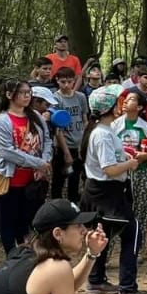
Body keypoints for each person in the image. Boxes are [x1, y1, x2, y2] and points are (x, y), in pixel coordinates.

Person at [81, 84, 147, 294]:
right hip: (106, 193)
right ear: (110, 107)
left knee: (103, 234)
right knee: (133, 235)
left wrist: (125, 155)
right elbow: (109, 168)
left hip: (102, 192)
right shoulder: (102, 134)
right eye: (118, 101)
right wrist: (130, 163)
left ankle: (95, 280)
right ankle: (127, 291)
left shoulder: (104, 130)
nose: (121, 104)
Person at [0, 81, 53, 254]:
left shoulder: (35, 115)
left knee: (29, 216)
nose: (27, 96)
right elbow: (6, 152)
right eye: (23, 92)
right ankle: (11, 253)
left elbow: (47, 139)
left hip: (35, 178)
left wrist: (45, 160)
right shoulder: (2, 120)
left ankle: (26, 248)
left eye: (29, 92)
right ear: (9, 95)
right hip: (12, 177)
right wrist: (38, 163)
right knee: (9, 217)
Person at [115, 90, 147, 258]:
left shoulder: (146, 128)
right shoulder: (115, 126)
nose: (125, 102)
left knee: (140, 212)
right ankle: (107, 253)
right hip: (119, 174)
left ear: (140, 107)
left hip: (141, 174)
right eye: (125, 100)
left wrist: (146, 156)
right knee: (116, 212)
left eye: (130, 100)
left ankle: (137, 249)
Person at [52, 67, 89, 202]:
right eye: (63, 82)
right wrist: (66, 152)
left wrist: (83, 143)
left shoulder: (80, 97)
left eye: (69, 81)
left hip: (78, 143)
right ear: (57, 81)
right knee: (59, 178)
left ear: (74, 81)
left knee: (75, 177)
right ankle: (56, 206)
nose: (66, 85)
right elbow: (58, 130)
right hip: (63, 145)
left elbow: (84, 120)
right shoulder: (55, 99)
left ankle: (73, 205)